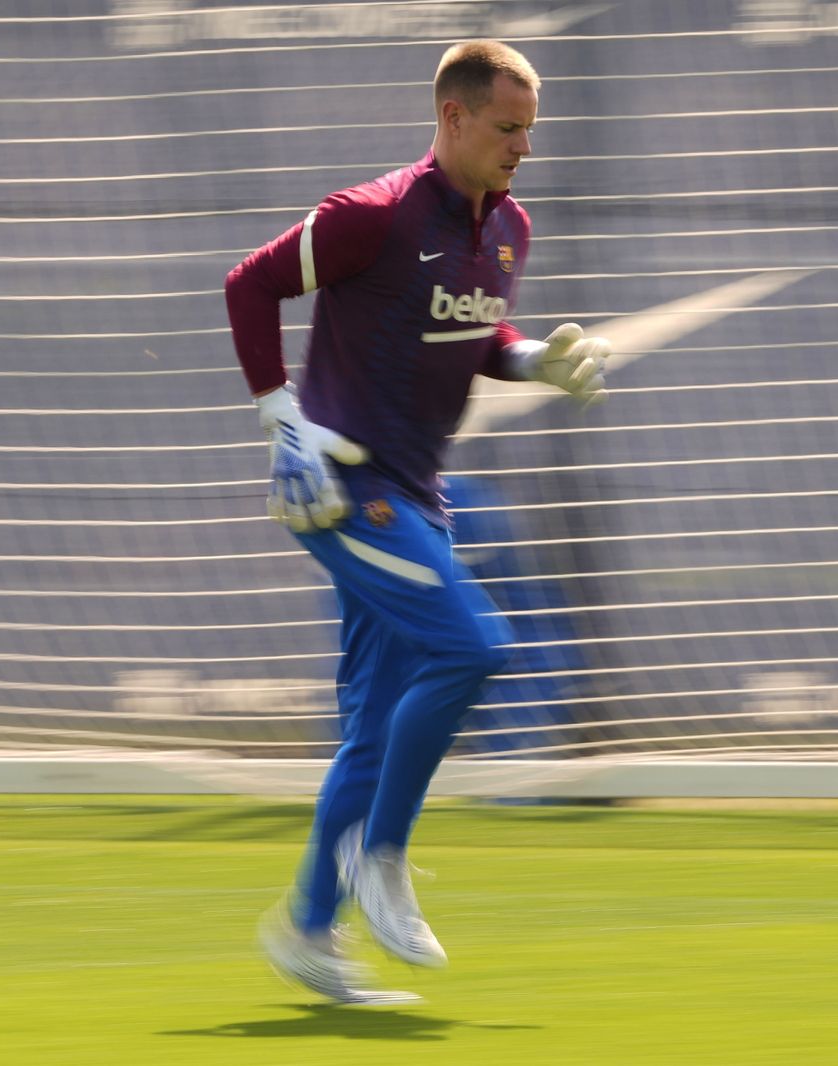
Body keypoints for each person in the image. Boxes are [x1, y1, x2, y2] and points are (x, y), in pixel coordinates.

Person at [224, 39, 610, 1005]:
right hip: (344, 489)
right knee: (474, 649)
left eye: (532, 128)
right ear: (453, 117)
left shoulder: (508, 225)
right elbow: (249, 284)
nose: (524, 145)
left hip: (414, 494)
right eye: (507, 127)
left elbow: (475, 333)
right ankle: (380, 857)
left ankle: (309, 931)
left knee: (369, 733)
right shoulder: (372, 216)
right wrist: (284, 424)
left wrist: (534, 364)